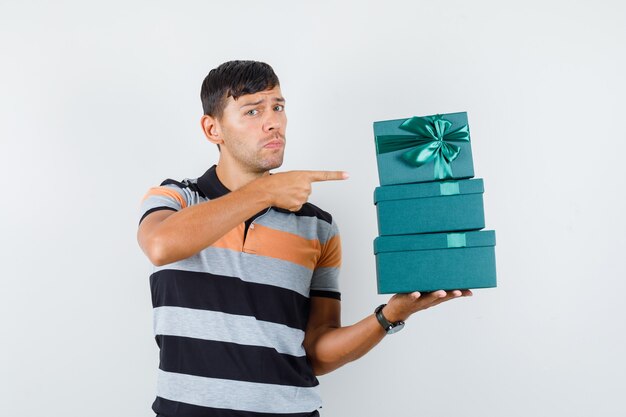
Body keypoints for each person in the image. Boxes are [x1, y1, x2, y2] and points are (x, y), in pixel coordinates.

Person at [137, 60, 472, 417]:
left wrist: (390, 315)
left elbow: (316, 352)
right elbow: (161, 246)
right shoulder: (176, 199)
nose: (273, 122)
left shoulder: (318, 227)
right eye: (252, 111)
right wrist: (265, 192)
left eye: (278, 107)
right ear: (212, 128)